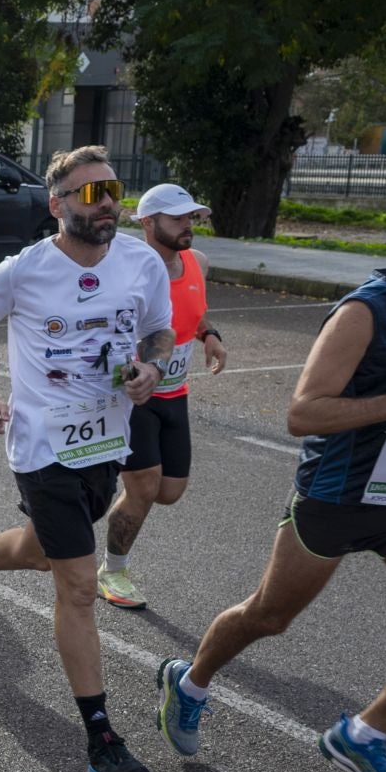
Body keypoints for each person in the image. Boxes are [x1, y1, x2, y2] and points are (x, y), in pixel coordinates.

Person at [155, 192, 386, 772]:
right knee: (268, 616)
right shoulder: (365, 313)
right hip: (337, 498)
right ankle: (192, 683)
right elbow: (303, 414)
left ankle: (363, 735)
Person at [0, 146, 174, 772]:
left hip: (106, 443)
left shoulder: (142, 262)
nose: (106, 203)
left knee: (46, 551)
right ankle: (103, 738)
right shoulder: (26, 270)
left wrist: (152, 366)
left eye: (113, 189)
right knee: (76, 583)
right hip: (41, 445)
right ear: (57, 205)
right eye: (89, 193)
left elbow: (159, 332)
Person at [97, 183, 227, 608]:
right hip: (131, 395)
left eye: (191, 217)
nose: (188, 225)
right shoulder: (124, 265)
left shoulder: (198, 262)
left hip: (175, 392)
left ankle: (109, 475)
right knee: (145, 487)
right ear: (148, 223)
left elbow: (192, 308)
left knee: (169, 490)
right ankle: (113, 571)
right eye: (178, 218)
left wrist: (209, 334)